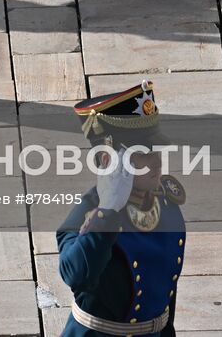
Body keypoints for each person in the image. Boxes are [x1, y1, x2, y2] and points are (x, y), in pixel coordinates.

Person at [58, 80, 186, 336]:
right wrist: (107, 212)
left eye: (157, 151)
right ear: (108, 159)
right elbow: (75, 275)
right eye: (143, 153)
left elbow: (164, 290)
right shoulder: (89, 213)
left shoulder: (165, 204)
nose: (157, 161)